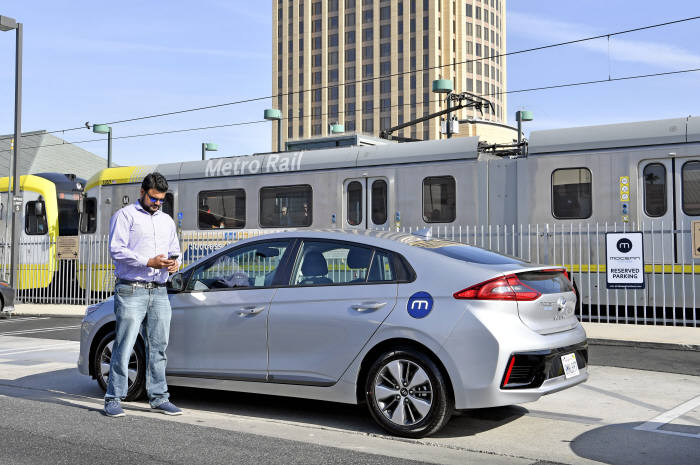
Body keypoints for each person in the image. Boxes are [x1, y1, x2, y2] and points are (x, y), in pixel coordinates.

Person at [104, 172, 182, 418]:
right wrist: (148, 261)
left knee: (159, 347)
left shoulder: (167, 221)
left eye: (161, 200)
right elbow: (116, 250)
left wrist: (174, 264)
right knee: (124, 345)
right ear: (142, 192)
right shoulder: (125, 216)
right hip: (131, 289)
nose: (157, 203)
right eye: (153, 198)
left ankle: (159, 397)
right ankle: (113, 398)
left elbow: (175, 251)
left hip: (159, 291)